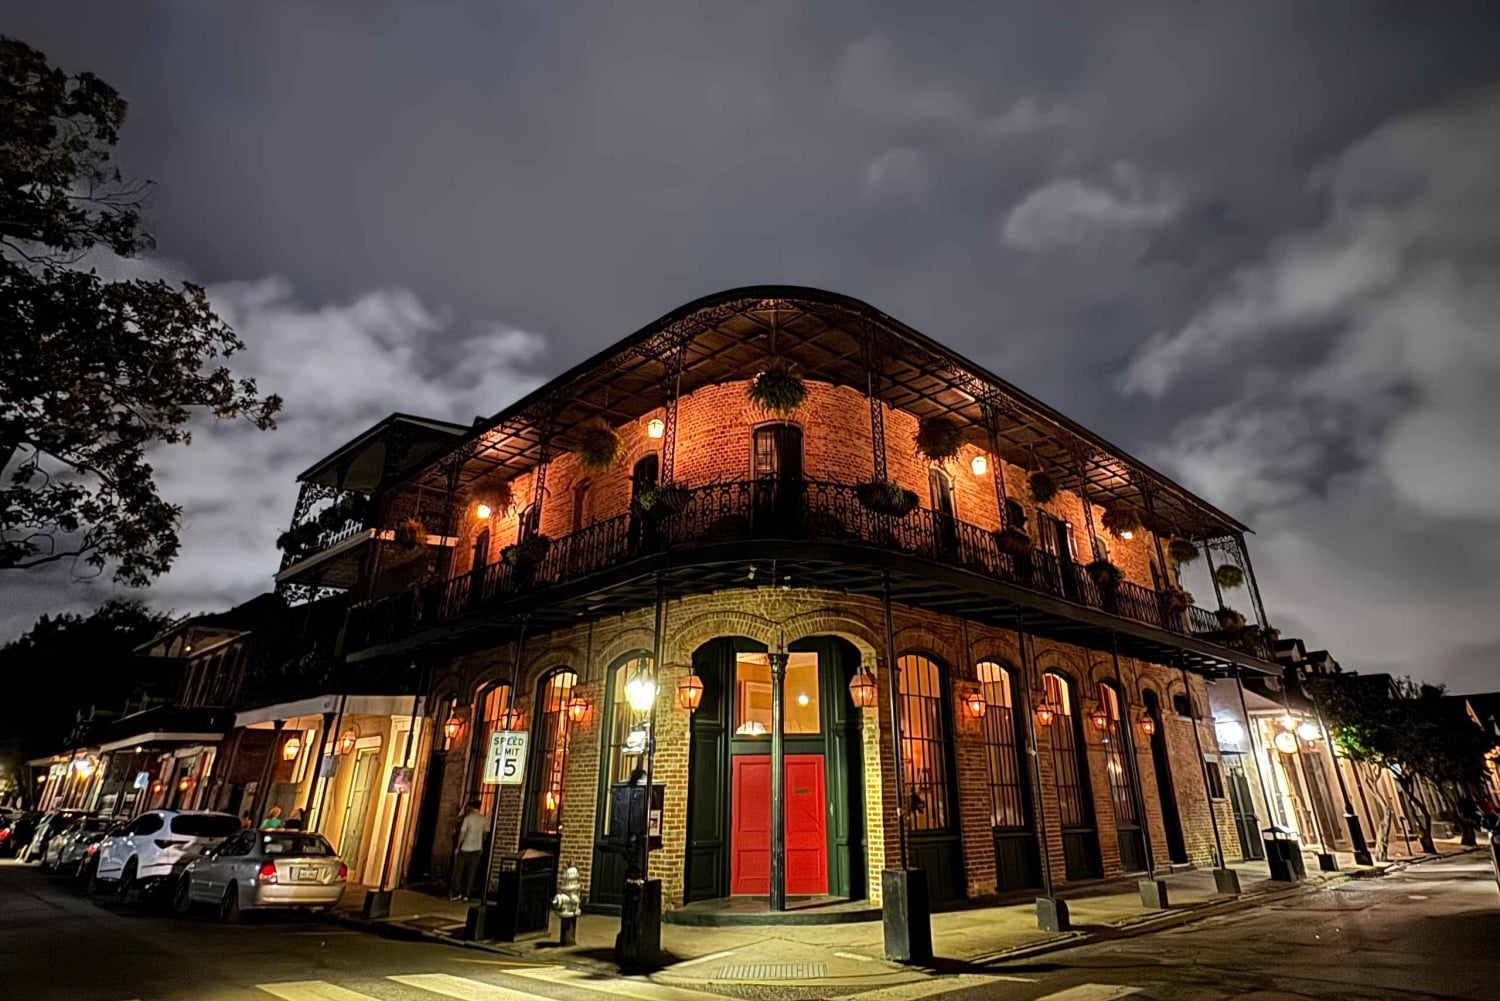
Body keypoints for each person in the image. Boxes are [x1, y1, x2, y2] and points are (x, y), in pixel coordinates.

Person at [451, 799, 486, 901]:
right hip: (477, 848)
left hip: (466, 847)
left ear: (471, 807)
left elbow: (462, 833)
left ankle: (456, 892)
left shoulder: (468, 819)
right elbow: (484, 834)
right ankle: (466, 894)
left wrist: (458, 846)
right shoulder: (483, 819)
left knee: (459, 871)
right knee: (471, 872)